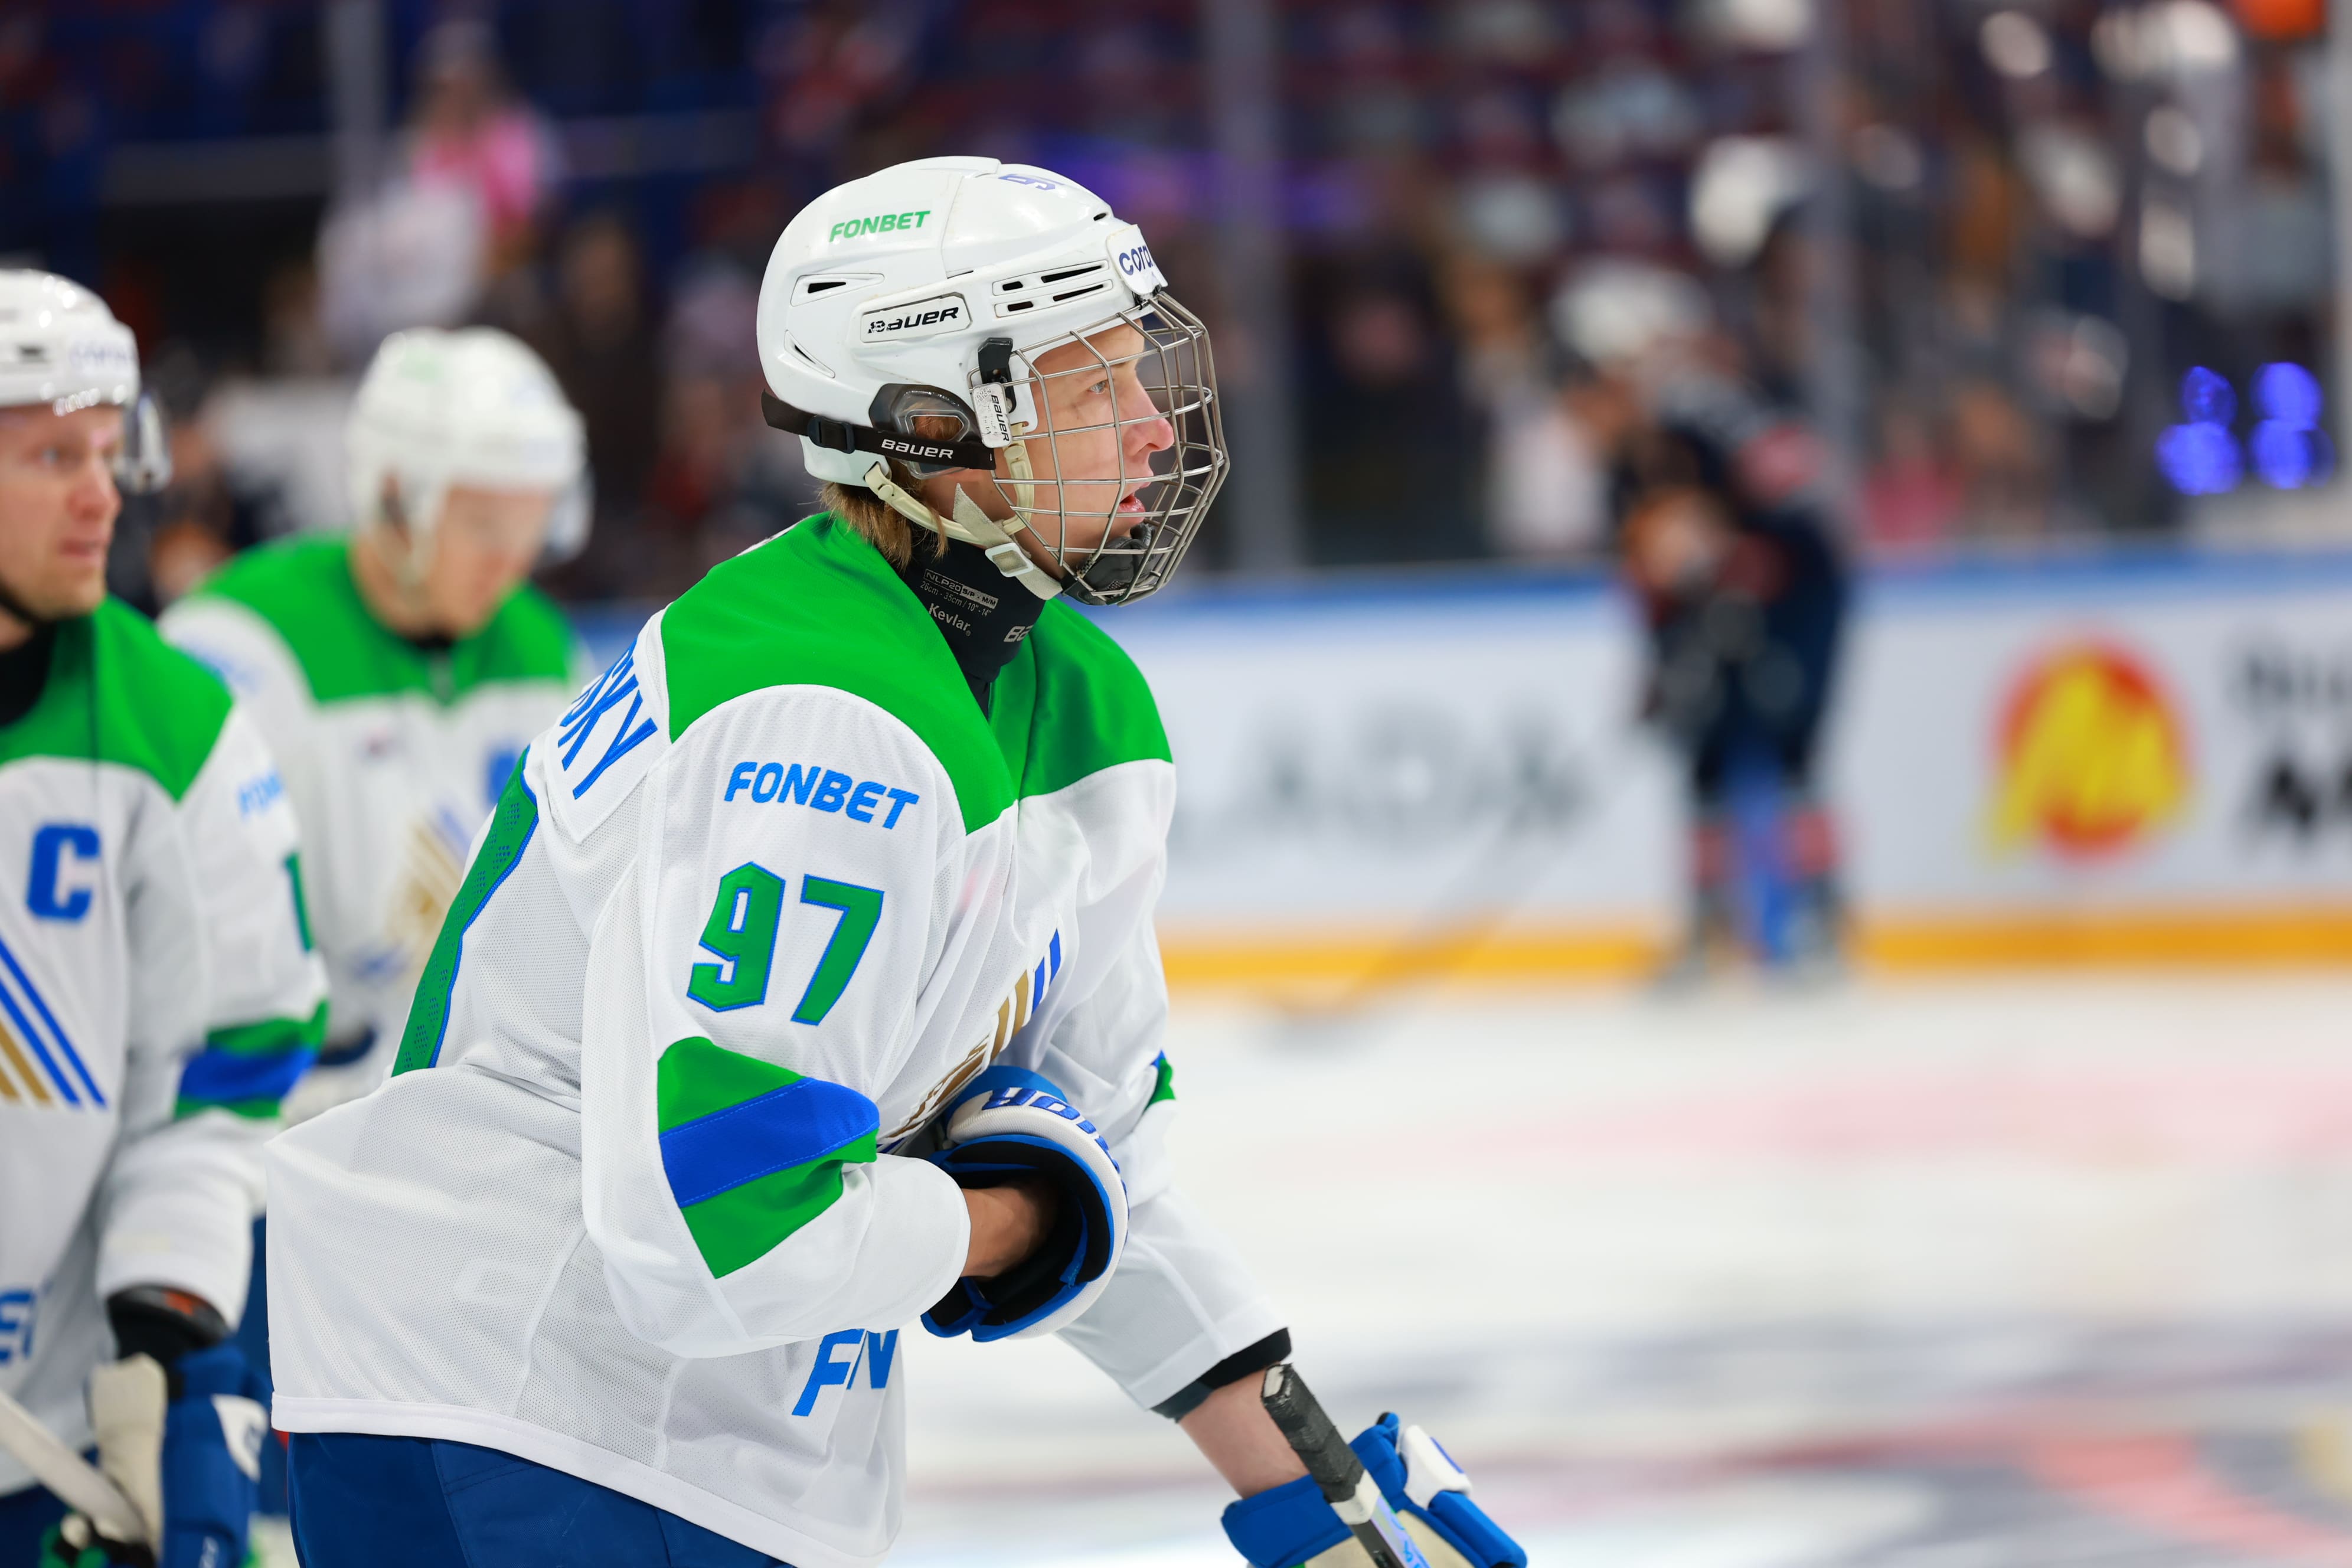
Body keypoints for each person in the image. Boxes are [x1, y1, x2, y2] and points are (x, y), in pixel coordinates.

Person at [261, 158, 1524, 1568]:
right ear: (930, 426)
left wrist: (1318, 1499)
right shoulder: (819, 715)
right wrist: (1008, 1219)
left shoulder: (1081, 708)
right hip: (512, 1401)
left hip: (684, 1434)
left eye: (1140, 369)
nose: (1155, 427)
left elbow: (1109, 1171)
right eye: (1090, 388)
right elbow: (726, 1228)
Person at [0, 270, 327, 1568]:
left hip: (54, 1430)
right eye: (52, 458)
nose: (102, 496)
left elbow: (224, 1066)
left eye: (106, 453)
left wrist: (166, 1342)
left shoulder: (177, 730)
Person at [162, 326, 589, 1121]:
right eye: (484, 526)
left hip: (482, 1114)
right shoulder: (238, 641)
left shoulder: (543, 647)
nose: (511, 562)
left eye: (530, 527)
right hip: (281, 1118)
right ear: (394, 503)